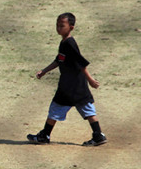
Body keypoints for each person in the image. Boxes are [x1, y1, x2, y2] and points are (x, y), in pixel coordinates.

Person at [28, 13, 105, 146]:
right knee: (86, 107)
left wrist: (91, 80)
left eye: (62, 25)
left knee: (56, 107)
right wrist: (44, 71)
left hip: (70, 84)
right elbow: (59, 59)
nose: (58, 28)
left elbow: (81, 63)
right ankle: (98, 135)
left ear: (71, 27)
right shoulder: (64, 43)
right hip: (76, 84)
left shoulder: (70, 43)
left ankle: (44, 135)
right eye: (57, 25)